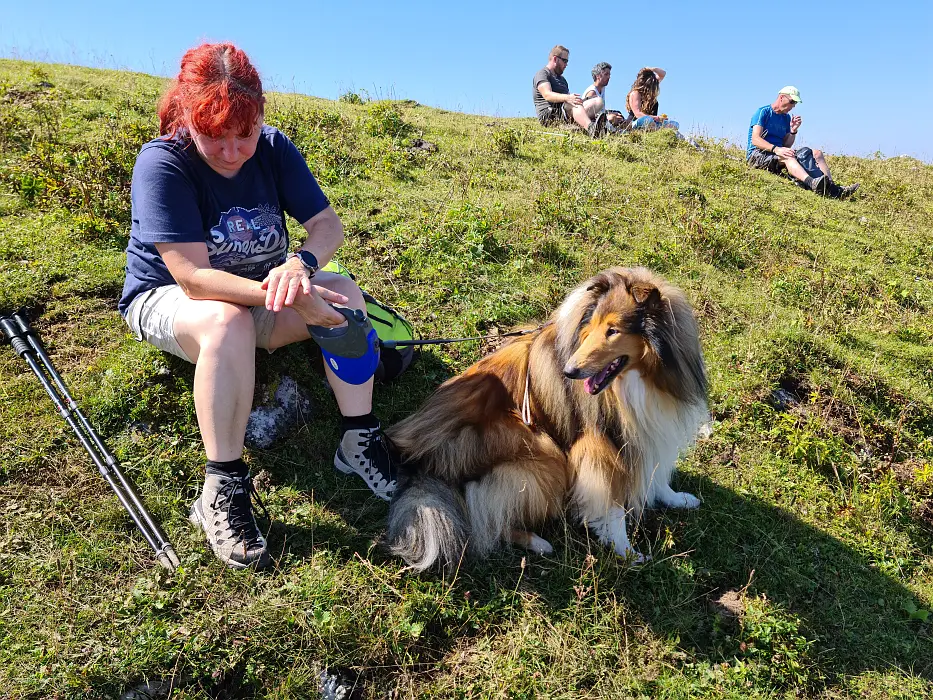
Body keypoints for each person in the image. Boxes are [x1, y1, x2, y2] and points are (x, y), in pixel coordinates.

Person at [118, 42, 397, 570]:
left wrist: (302, 268)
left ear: (261, 116)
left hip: (261, 294)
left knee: (347, 292)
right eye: (213, 136)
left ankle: (358, 439)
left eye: (243, 135)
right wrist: (299, 301)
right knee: (227, 323)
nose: (230, 151)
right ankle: (221, 484)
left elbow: (326, 226)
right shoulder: (162, 163)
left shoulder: (273, 148)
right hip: (174, 301)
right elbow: (193, 278)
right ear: (186, 117)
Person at [747, 86, 859, 199]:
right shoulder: (763, 112)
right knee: (788, 157)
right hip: (758, 155)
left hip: (776, 154)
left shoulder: (786, 118)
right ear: (781, 97)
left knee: (817, 153)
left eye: (795, 103)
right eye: (792, 101)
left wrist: (793, 130)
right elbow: (755, 139)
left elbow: (786, 145)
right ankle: (811, 182)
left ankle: (832, 188)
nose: (793, 106)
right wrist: (776, 149)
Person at [532, 45, 607, 138]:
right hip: (549, 114)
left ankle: (579, 125)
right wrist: (568, 98)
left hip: (565, 112)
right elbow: (547, 95)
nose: (566, 64)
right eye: (564, 60)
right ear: (555, 59)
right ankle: (591, 128)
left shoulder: (563, 80)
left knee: (598, 101)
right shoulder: (543, 74)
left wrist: (576, 99)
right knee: (574, 103)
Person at [625, 67, 679, 132]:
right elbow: (638, 114)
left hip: (652, 122)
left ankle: (658, 130)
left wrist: (650, 69)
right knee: (647, 120)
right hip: (636, 122)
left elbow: (663, 74)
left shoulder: (650, 95)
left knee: (674, 124)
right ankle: (658, 131)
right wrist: (657, 118)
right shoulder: (635, 93)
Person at [582, 62, 628, 130]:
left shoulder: (602, 88)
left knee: (621, 118)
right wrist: (609, 116)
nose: (609, 77)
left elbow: (601, 111)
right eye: (606, 74)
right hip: (593, 121)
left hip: (601, 117)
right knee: (612, 118)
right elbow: (590, 114)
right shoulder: (592, 92)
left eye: (609, 74)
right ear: (598, 76)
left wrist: (610, 113)